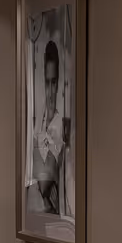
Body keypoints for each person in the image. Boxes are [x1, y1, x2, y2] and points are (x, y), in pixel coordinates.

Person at [30, 41, 71, 216]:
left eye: (54, 83)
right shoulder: (37, 122)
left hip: (54, 217)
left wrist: (39, 143)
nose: (50, 91)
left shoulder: (60, 124)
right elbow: (40, 174)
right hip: (34, 216)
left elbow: (43, 182)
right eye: (47, 83)